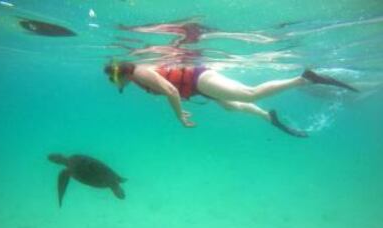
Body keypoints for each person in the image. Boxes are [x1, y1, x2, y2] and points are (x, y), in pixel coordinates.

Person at [104, 61, 358, 137]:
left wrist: (179, 115)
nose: (115, 84)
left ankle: (304, 79)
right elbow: (168, 89)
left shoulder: (140, 72)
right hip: (197, 88)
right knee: (231, 107)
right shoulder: (132, 79)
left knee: (250, 93)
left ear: (121, 73)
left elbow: (171, 90)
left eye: (114, 79)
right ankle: (268, 117)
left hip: (198, 80)